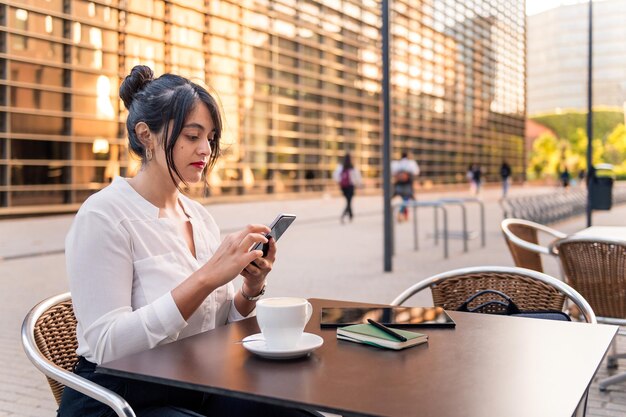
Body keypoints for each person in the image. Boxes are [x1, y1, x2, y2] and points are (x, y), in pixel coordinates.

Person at [58, 65, 315, 417]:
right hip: (118, 400)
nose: (206, 149)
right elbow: (107, 345)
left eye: (209, 137)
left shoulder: (198, 217)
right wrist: (206, 276)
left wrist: (250, 288)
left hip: (192, 386)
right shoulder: (104, 216)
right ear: (145, 135)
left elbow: (216, 328)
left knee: (297, 412)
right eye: (192, 136)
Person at [332, 153, 362, 224]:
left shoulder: (341, 167)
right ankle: (344, 215)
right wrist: (359, 184)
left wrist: (340, 182)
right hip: (350, 187)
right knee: (349, 202)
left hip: (343, 187)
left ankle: (350, 215)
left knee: (348, 201)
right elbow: (357, 177)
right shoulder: (352, 167)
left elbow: (335, 176)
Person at [391, 152, 420, 222]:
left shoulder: (397, 163)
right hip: (407, 185)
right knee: (406, 200)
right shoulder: (410, 163)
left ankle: (405, 215)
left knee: (404, 200)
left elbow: (393, 172)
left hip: (398, 185)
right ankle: (401, 212)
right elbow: (416, 172)